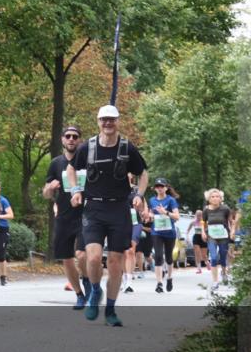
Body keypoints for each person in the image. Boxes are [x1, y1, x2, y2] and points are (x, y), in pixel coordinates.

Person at [67, 105, 148, 327]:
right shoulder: (88, 147)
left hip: (119, 209)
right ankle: (95, 291)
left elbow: (143, 173)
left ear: (118, 121)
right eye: (104, 119)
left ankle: (110, 310)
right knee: (92, 257)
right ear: (98, 121)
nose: (108, 123)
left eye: (112, 119)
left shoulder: (127, 147)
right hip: (93, 209)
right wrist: (75, 190)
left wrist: (139, 195)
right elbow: (71, 169)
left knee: (114, 262)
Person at [42, 125, 90, 309]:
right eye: (68, 136)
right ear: (62, 139)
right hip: (64, 216)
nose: (71, 139)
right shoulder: (56, 163)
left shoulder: (87, 161)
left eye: (75, 136)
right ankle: (79, 294)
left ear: (80, 140)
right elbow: (46, 194)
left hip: (86, 214)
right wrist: (50, 188)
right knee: (67, 258)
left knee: (82, 254)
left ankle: (87, 280)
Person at [149, 178, 180, 294]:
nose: (159, 188)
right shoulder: (152, 200)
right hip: (156, 232)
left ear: (166, 188)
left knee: (169, 257)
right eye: (157, 186)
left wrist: (165, 212)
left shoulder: (171, 200)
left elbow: (177, 216)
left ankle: (169, 278)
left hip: (169, 233)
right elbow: (151, 213)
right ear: (155, 189)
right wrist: (149, 216)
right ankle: (159, 283)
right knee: (158, 256)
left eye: (161, 186)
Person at [202, 188, 234, 291]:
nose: (215, 198)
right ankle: (215, 282)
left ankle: (224, 272)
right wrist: (203, 232)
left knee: (223, 257)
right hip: (211, 236)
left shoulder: (225, 208)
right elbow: (203, 221)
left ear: (221, 198)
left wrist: (232, 231)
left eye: (217, 197)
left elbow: (231, 221)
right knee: (214, 257)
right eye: (213, 197)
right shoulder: (206, 209)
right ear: (209, 198)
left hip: (223, 236)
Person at [0, 181, 14, 286]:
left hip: (2, 229)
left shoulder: (3, 200)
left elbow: (11, 215)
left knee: (1, 254)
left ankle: (3, 277)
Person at [190, 209, 208, 274]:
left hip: (203, 238)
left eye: (200, 215)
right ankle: (199, 269)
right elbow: (188, 230)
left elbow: (207, 230)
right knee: (197, 253)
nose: (198, 217)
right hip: (196, 238)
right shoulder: (193, 222)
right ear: (195, 215)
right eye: (197, 215)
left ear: (202, 216)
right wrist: (187, 237)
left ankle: (207, 263)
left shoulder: (204, 222)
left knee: (204, 255)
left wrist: (205, 233)